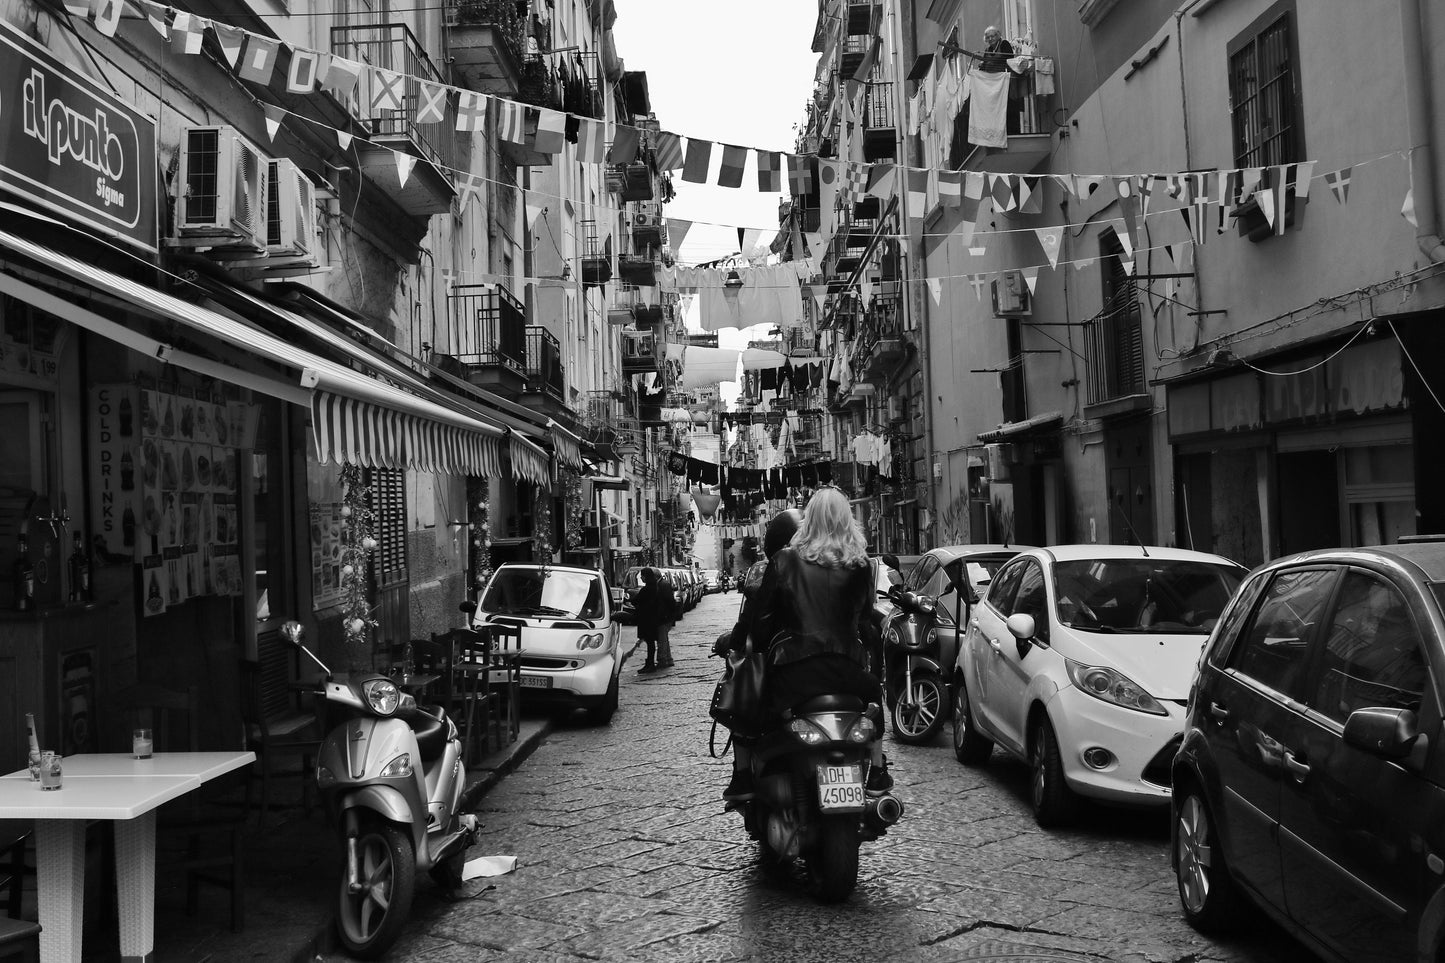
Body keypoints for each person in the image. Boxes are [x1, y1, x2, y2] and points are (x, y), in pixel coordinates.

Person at [720, 489, 890, 801]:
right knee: (873, 706)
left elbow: (760, 626)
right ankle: (878, 770)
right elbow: (865, 619)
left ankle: (743, 776)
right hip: (849, 673)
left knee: (747, 704)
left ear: (807, 520)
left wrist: (753, 648)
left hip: (795, 673)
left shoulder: (785, 560)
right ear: (847, 520)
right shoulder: (861, 564)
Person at [633, 567, 677, 673]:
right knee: (661, 639)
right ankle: (667, 659)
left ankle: (661, 661)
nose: (641, 578)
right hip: (658, 618)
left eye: (642, 576)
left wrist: (669, 616)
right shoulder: (657, 586)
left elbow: (669, 602)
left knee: (659, 640)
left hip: (657, 618)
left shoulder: (658, 586)